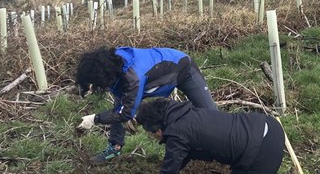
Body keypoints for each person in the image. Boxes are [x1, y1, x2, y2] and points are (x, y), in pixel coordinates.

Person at [131, 98, 307, 174]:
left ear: (157, 129)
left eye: (150, 132)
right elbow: (184, 155)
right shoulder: (184, 113)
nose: (151, 136)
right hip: (269, 126)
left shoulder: (177, 134)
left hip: (263, 151)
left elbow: (170, 172)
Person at [75, 46, 216, 164]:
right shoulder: (111, 63)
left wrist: (94, 119)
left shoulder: (133, 78)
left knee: (211, 115)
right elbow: (121, 110)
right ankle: (114, 148)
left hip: (183, 67)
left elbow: (125, 113)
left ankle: (220, 149)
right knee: (120, 107)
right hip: (149, 77)